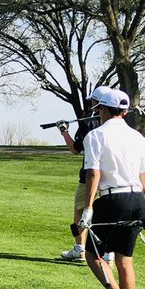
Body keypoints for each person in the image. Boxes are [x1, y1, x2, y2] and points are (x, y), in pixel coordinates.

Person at [79, 86, 145, 289]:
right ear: (123, 112)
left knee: (93, 254)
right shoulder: (138, 137)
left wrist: (87, 208)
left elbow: (93, 173)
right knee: (125, 259)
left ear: (102, 109)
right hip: (136, 201)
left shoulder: (96, 135)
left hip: (112, 199)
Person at [57, 103, 109, 263]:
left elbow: (75, 149)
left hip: (89, 175)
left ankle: (80, 248)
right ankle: (108, 253)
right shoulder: (124, 126)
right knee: (109, 213)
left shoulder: (89, 123)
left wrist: (63, 131)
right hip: (114, 176)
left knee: (80, 211)